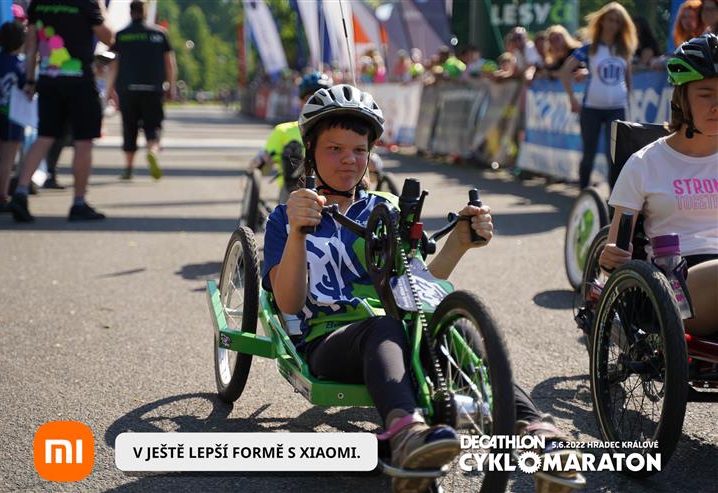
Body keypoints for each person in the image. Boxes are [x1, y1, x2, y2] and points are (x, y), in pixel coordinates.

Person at [264, 84, 584, 493]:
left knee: (457, 328)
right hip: (330, 341)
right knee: (383, 327)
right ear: (310, 150)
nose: (349, 159)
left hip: (402, 331)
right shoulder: (285, 216)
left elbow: (417, 286)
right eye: (335, 149)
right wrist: (297, 232)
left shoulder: (386, 207)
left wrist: (460, 243)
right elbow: (288, 302)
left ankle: (537, 431)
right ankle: (406, 434)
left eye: (359, 150)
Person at [599, 33, 718, 336]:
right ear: (681, 100)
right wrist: (610, 257)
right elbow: (615, 254)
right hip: (673, 284)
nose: (717, 105)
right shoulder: (645, 163)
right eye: (706, 94)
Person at [9, 0, 114, 222]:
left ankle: (20, 192)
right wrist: (102, 9)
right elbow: (108, 38)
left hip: (48, 78)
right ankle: (79, 202)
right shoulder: (87, 2)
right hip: (80, 80)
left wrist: (30, 79)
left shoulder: (39, 3)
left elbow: (31, 43)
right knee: (83, 141)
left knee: (44, 137)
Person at [560, 1, 637, 190]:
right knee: (589, 154)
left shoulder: (624, 48)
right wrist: (572, 98)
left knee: (615, 156)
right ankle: (583, 194)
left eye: (617, 21)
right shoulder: (590, 48)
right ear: (602, 21)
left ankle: (614, 199)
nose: (613, 25)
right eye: (610, 20)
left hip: (617, 109)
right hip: (591, 109)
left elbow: (627, 78)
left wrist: (628, 101)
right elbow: (565, 71)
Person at [107, 0, 176, 181]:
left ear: (131, 13)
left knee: (129, 129)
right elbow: (169, 64)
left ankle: (128, 168)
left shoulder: (121, 35)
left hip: (128, 90)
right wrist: (171, 87)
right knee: (153, 128)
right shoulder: (160, 34)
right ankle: (152, 150)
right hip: (153, 89)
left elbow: (113, 66)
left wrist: (109, 90)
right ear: (145, 13)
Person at [249, 71, 332, 203]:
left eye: (322, 98)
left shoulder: (340, 132)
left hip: (332, 190)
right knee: (293, 153)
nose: (317, 103)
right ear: (301, 101)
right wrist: (263, 161)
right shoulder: (283, 130)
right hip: (292, 194)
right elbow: (261, 169)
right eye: (310, 98)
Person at [0, 22, 26, 213]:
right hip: (13, 114)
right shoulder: (19, 64)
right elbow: (27, 87)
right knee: (7, 159)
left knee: (1, 156)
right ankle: (1, 196)